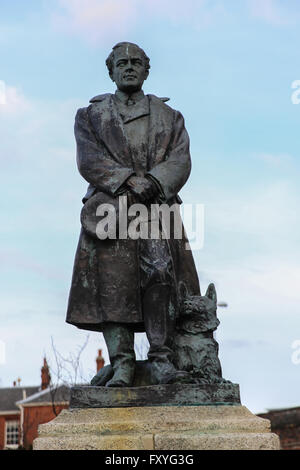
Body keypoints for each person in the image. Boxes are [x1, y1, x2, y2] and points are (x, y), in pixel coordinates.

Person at [66, 42, 200, 387]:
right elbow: (89, 160)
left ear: (146, 69)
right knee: (112, 285)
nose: (129, 67)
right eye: (122, 63)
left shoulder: (170, 117)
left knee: (160, 274)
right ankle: (121, 362)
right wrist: (127, 180)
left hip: (156, 206)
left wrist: (153, 182)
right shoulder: (90, 116)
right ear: (110, 71)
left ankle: (160, 359)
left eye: (136, 62)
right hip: (111, 206)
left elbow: (180, 160)